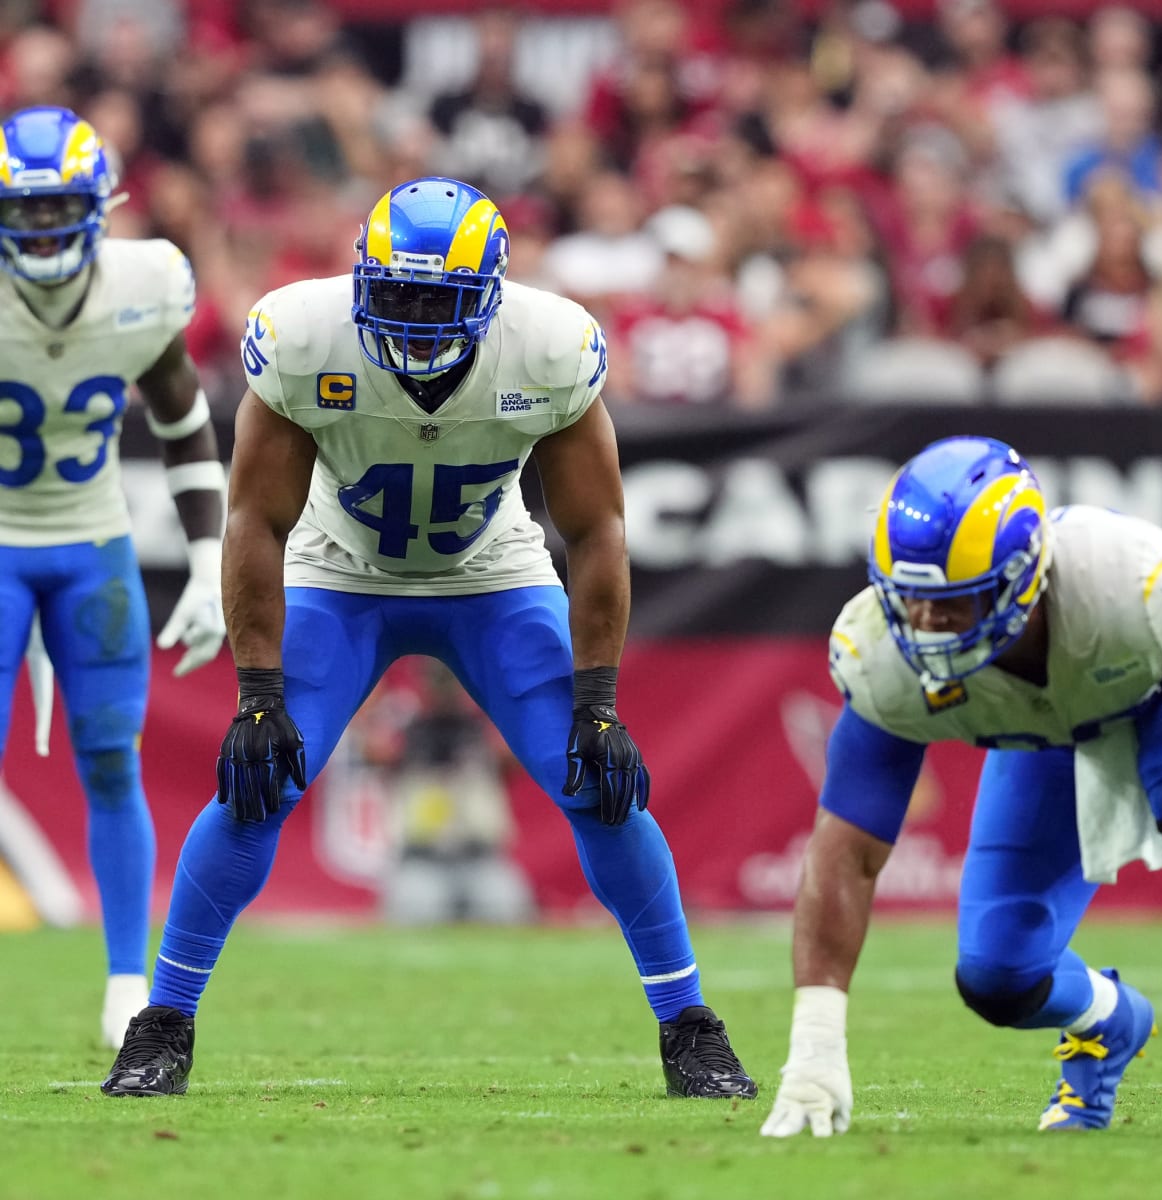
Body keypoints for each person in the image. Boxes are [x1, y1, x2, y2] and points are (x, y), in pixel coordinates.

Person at [100, 175, 757, 1101]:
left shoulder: (550, 347)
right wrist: (257, 694)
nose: (411, 320)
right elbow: (255, 520)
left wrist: (599, 705)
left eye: (436, 300)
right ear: (361, 279)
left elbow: (599, 531)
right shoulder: (303, 336)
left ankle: (690, 1024)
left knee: (599, 783)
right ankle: (162, 1021)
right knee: (255, 780)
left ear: (489, 295)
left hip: (491, 575)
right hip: (339, 571)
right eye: (395, 295)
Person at [760, 434, 1162, 1139]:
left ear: (1022, 579)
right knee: (999, 976)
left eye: (953, 603)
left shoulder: (1129, 589)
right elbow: (848, 851)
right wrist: (815, 1049)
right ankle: (1109, 1019)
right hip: (1054, 739)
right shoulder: (882, 656)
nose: (926, 625)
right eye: (909, 601)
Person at [0, 107, 226, 1047]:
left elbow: (182, 417)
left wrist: (210, 560)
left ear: (100, 209)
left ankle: (128, 981)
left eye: (61, 210)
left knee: (108, 759)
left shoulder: (145, 286)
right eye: (27, 211)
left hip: (94, 545)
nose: (45, 230)